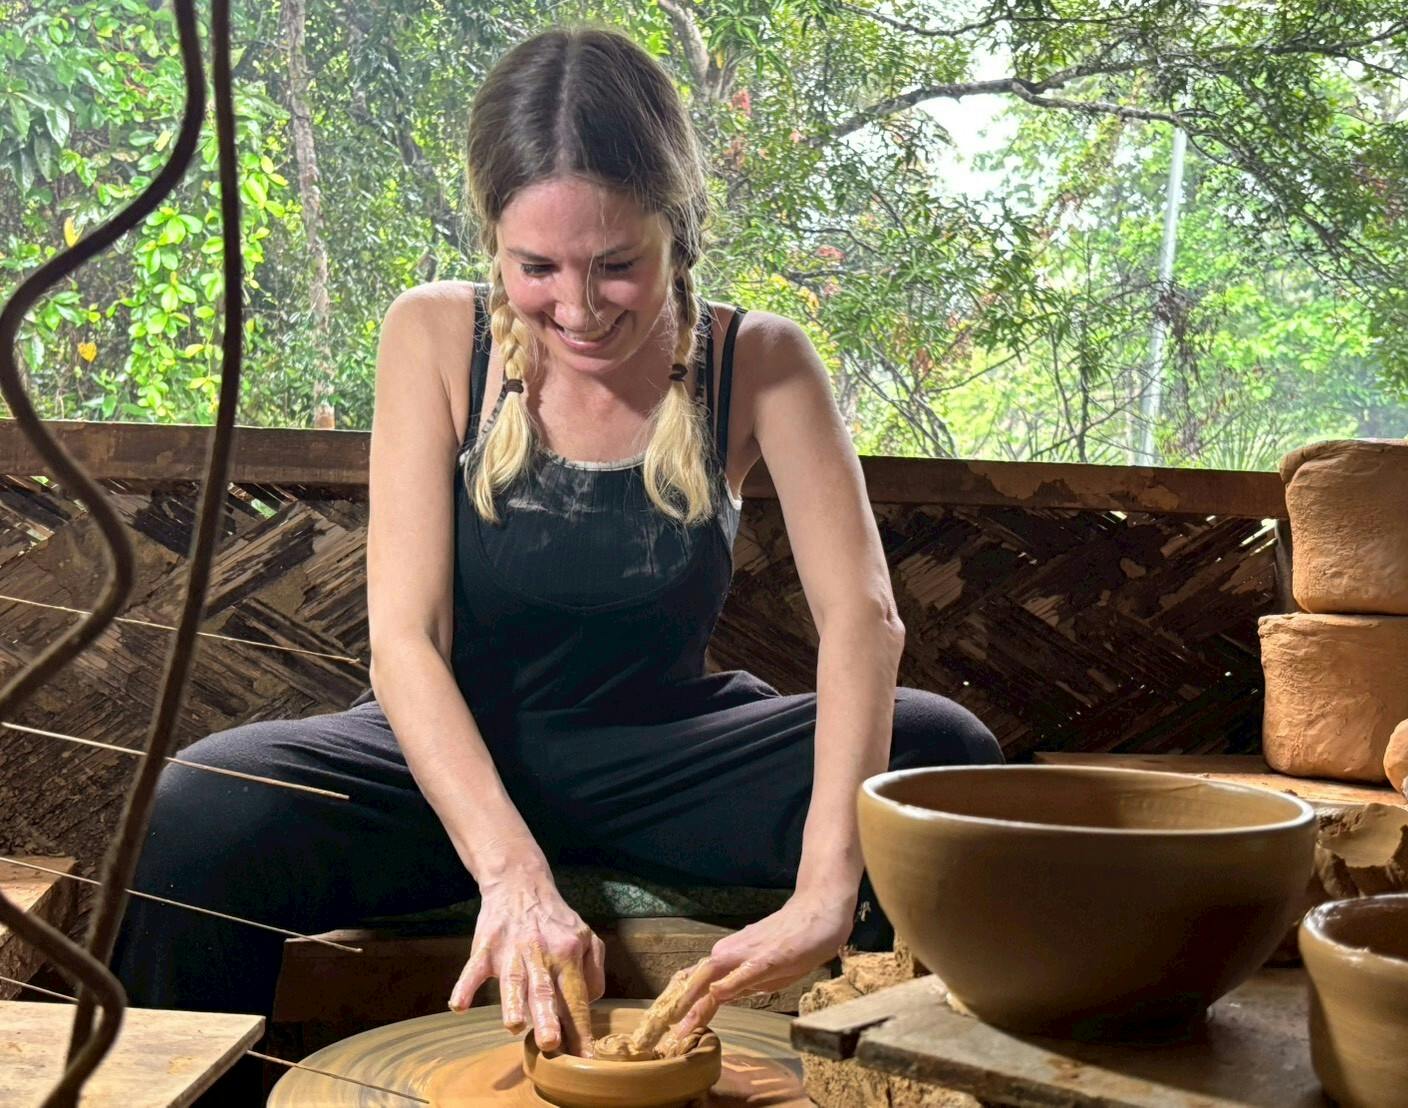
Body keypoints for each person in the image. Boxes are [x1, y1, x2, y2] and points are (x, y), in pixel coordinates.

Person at [110, 24, 1000, 1100]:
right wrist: (511, 874)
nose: (578, 308)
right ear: (493, 240)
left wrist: (823, 891)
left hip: (661, 756)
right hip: (443, 761)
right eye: (537, 267)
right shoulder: (434, 335)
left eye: (616, 266)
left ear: (676, 227)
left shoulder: (757, 359)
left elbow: (865, 620)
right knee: (207, 801)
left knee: (937, 754)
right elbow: (401, 639)